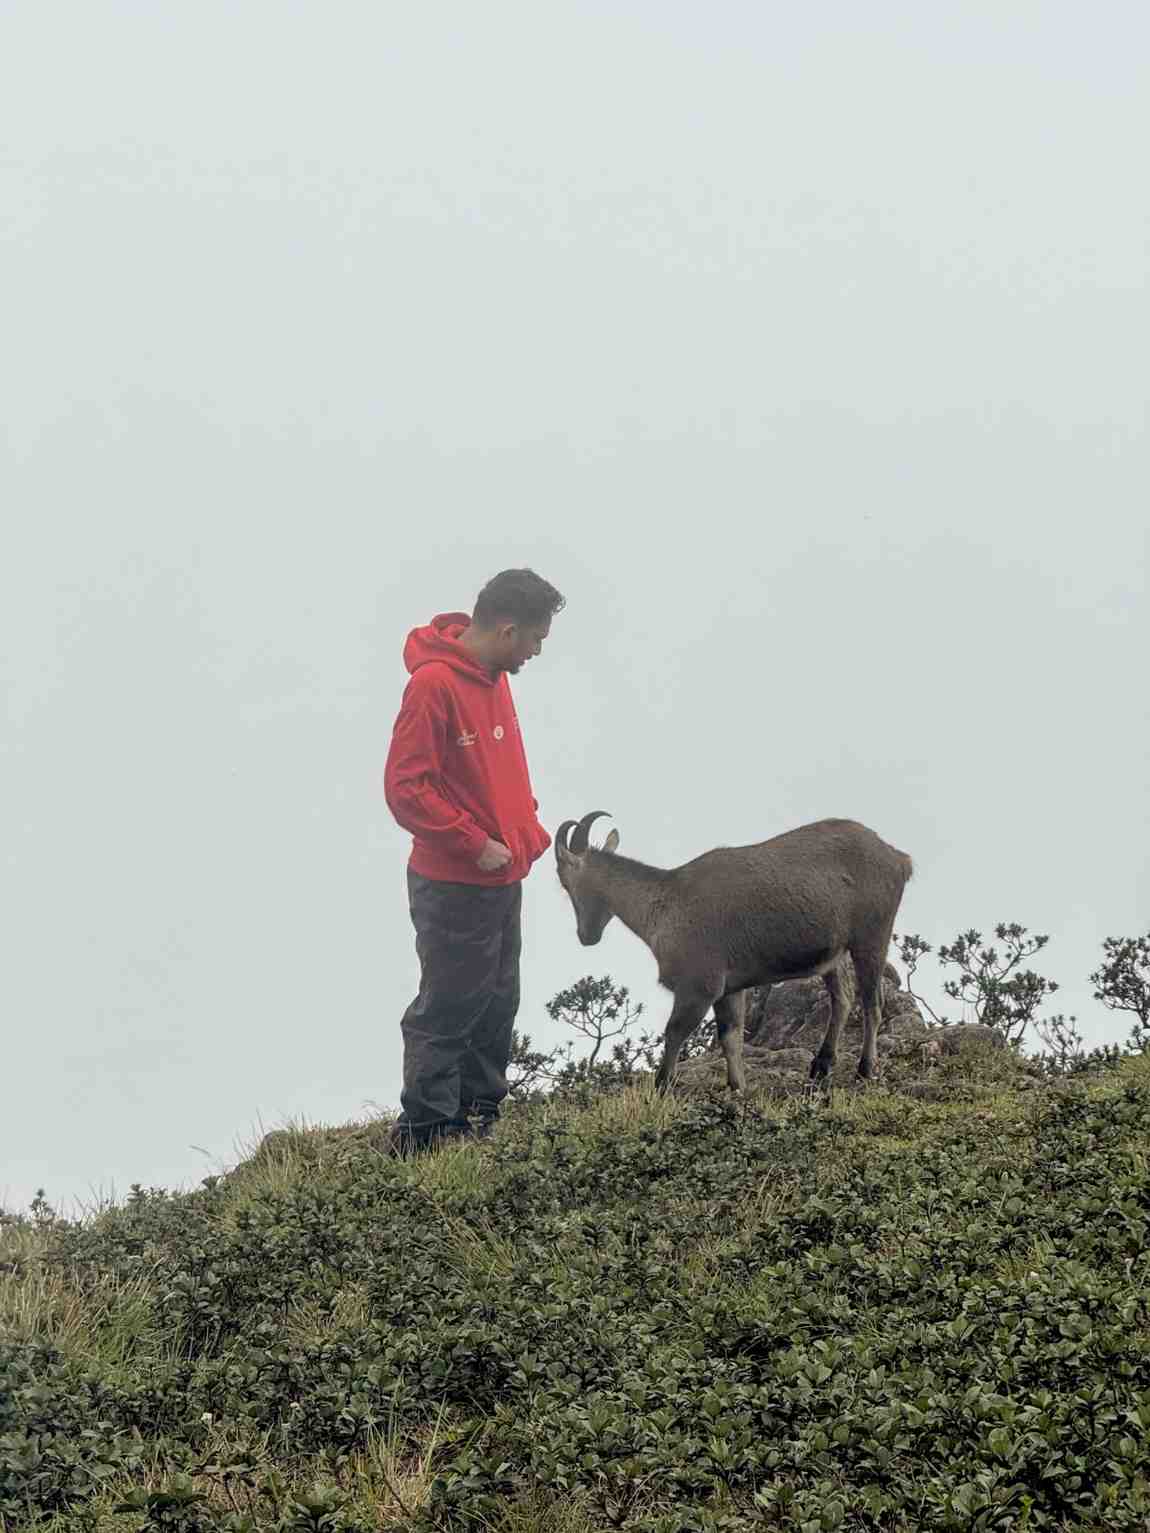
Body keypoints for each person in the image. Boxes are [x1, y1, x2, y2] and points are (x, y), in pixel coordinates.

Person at [383, 568, 564, 1152]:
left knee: (498, 997)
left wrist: (528, 830)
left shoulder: (495, 677)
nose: (537, 651)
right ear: (508, 629)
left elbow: (504, 771)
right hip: (453, 883)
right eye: (536, 638)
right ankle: (426, 1135)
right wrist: (475, 843)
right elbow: (406, 789)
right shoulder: (433, 685)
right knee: (450, 1004)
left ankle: (479, 1118)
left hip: (501, 877)